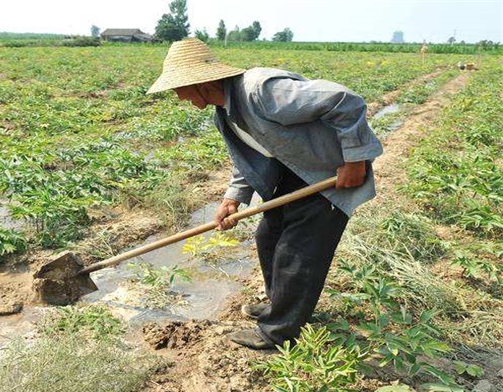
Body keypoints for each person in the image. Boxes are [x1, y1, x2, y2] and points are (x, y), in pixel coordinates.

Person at [147, 38, 383, 350]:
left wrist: (354, 160)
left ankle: (278, 332)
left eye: (179, 88)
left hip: (327, 175)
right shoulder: (225, 111)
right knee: (268, 238)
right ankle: (281, 306)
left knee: (297, 252)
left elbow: (344, 101)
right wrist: (232, 199)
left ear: (202, 82)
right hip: (294, 172)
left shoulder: (262, 90)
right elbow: (250, 157)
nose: (178, 96)